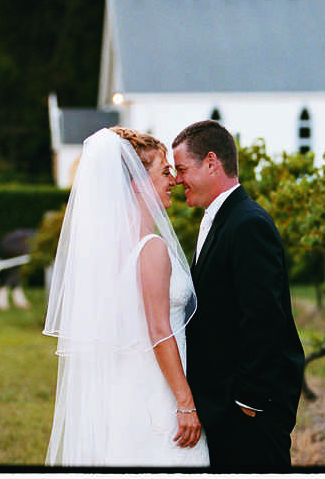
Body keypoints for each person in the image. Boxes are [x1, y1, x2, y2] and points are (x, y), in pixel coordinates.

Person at [43, 127, 209, 467]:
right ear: (138, 183)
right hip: (159, 393)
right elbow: (159, 330)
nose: (173, 181)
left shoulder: (109, 250)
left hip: (126, 387)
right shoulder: (152, 248)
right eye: (164, 172)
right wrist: (185, 401)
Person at [172, 120, 305, 470]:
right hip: (223, 407)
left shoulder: (248, 224)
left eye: (183, 169)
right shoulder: (218, 218)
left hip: (249, 415)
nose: (177, 179)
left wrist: (249, 401)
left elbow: (263, 318)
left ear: (212, 163)